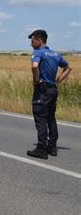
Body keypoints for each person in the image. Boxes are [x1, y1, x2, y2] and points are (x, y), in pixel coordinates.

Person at [26, 29, 72, 160]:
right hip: (53, 90)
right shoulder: (55, 54)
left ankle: (41, 149)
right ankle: (52, 147)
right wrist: (58, 79)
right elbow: (68, 68)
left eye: (33, 40)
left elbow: (34, 66)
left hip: (42, 90)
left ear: (40, 40)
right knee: (51, 118)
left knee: (40, 118)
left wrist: (36, 80)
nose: (31, 43)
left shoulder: (38, 52)